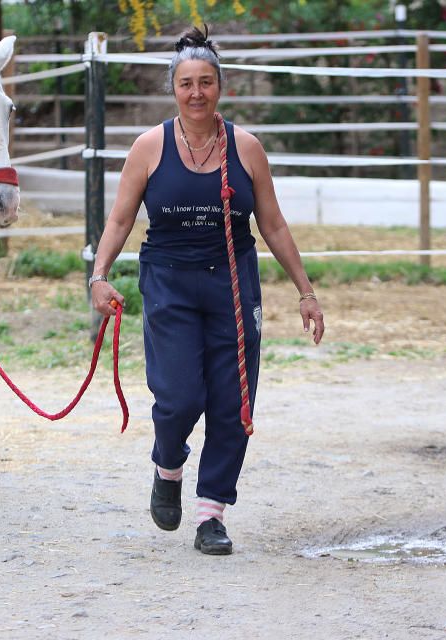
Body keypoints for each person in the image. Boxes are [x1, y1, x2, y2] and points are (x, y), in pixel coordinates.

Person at [89, 26, 325, 555]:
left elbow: (275, 225)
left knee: (232, 402)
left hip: (233, 282)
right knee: (177, 398)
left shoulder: (246, 148)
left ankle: (211, 514)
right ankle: (167, 465)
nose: (197, 93)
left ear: (221, 87)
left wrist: (305, 291)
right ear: (173, 89)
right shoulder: (149, 147)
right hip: (169, 280)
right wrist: (99, 275)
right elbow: (122, 218)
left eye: (206, 83)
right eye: (186, 84)